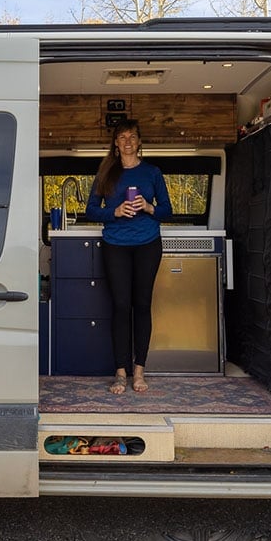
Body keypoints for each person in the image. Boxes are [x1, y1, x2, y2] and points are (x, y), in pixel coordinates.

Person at [84, 120, 172, 394]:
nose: (127, 141)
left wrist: (148, 206)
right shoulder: (106, 173)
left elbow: (167, 211)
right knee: (121, 306)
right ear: (115, 143)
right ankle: (120, 373)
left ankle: (139, 372)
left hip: (148, 244)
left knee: (142, 305)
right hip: (115, 244)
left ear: (139, 141)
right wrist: (115, 212)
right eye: (122, 137)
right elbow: (90, 210)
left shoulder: (152, 173)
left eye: (132, 136)